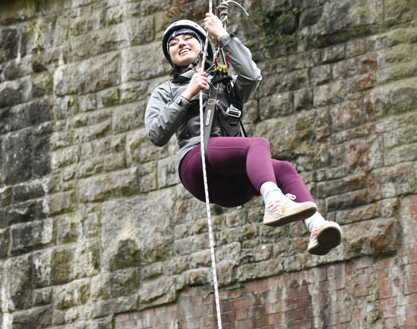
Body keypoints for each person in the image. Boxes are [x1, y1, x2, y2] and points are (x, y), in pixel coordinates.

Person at [145, 13, 341, 255]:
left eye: (187, 39)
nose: (181, 44)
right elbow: (156, 134)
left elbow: (251, 76)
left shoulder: (223, 83)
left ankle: (316, 226)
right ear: (171, 57)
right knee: (255, 145)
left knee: (284, 168)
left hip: (232, 185)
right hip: (196, 164)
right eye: (174, 44)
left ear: (202, 45)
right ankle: (274, 202)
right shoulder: (166, 91)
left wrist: (224, 37)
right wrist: (188, 94)